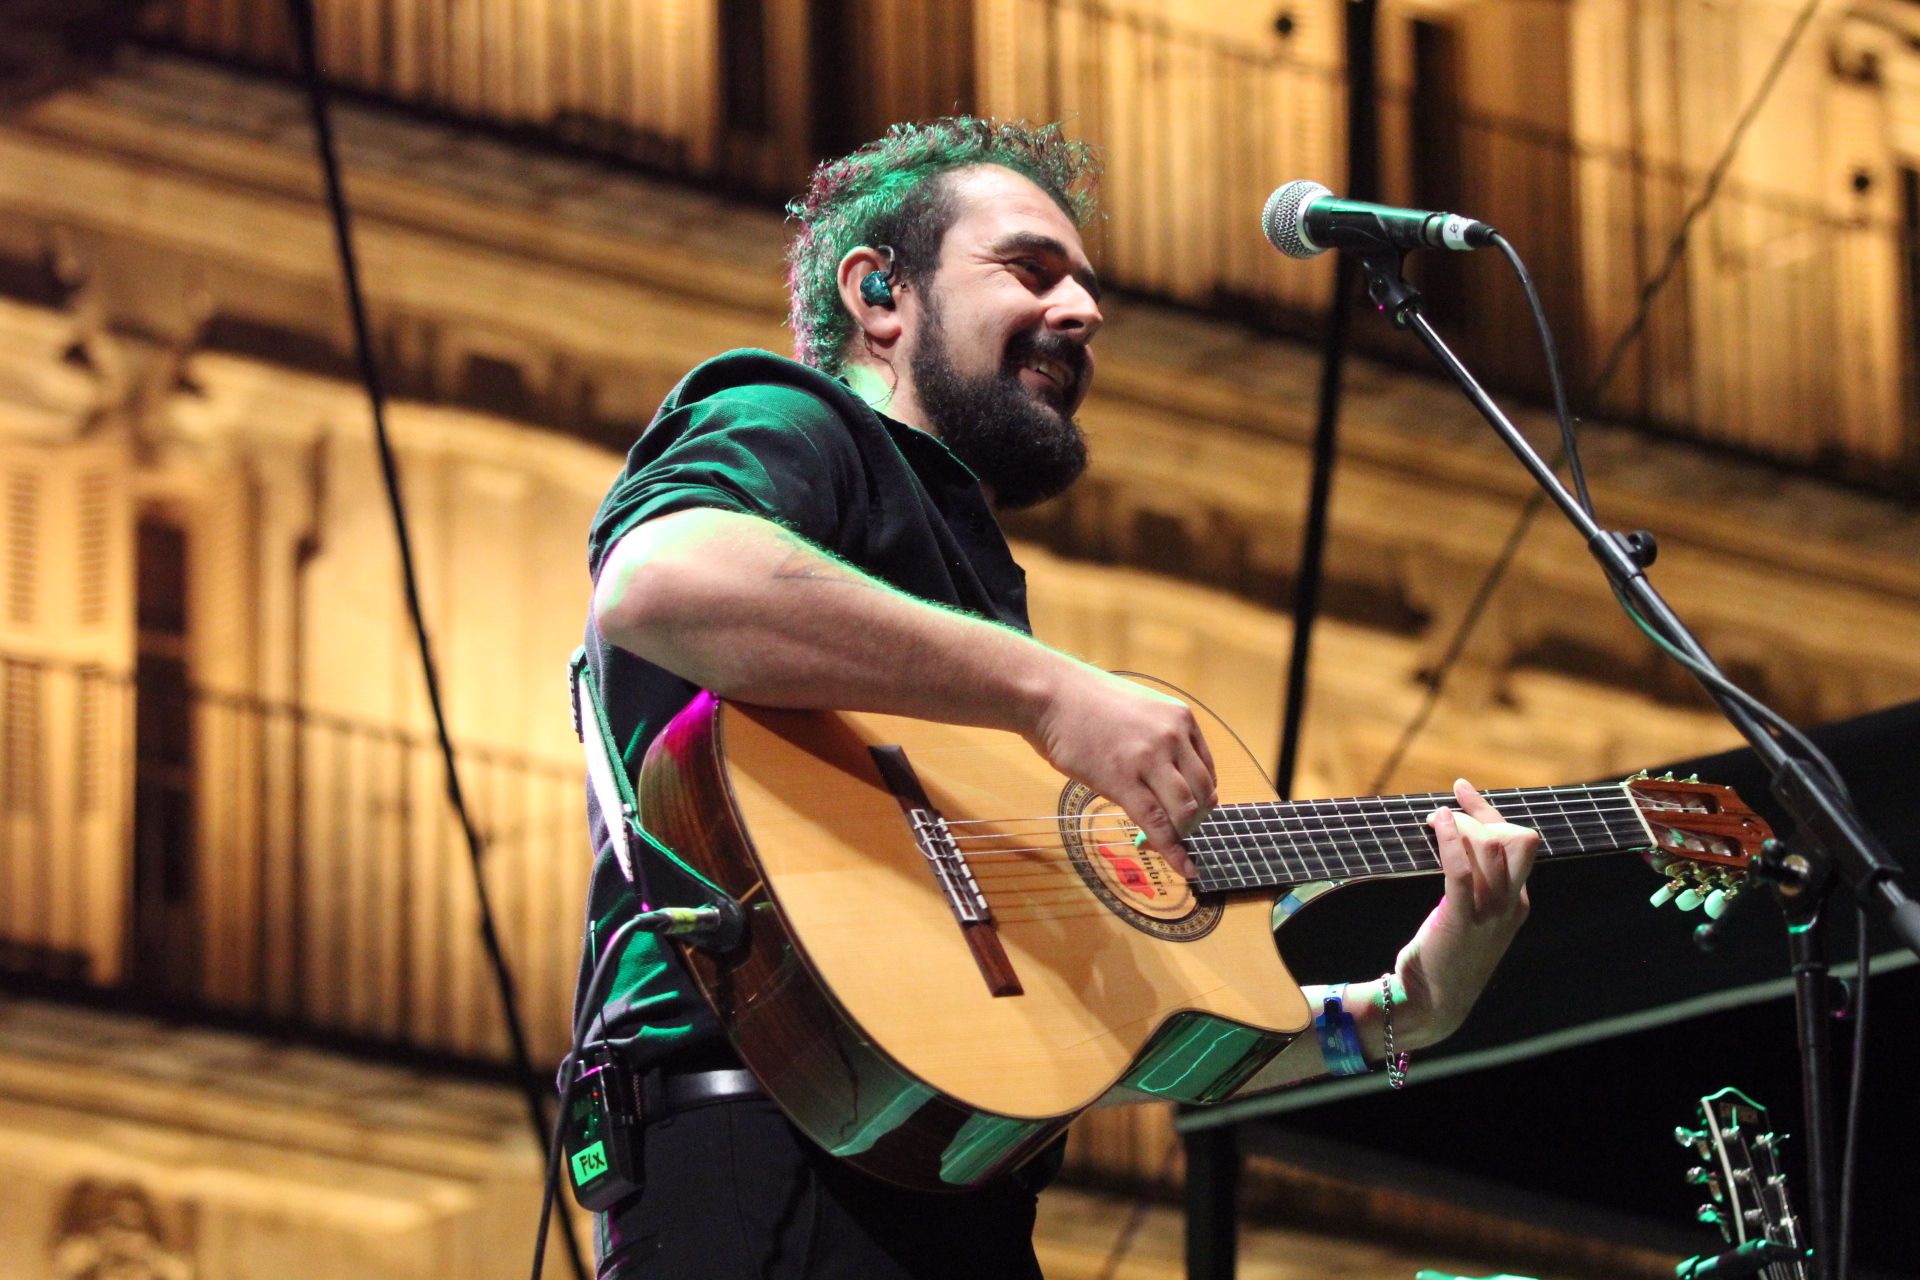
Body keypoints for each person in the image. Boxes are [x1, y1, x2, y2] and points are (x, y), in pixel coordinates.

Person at [575, 116, 1538, 1280]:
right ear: (881, 292)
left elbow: (1113, 1034)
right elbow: (657, 578)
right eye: (1032, 270)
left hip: (950, 1187)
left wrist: (1406, 1009)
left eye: (1085, 283)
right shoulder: (795, 423)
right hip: (760, 1155)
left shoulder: (969, 595)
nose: (1083, 310)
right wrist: (1049, 692)